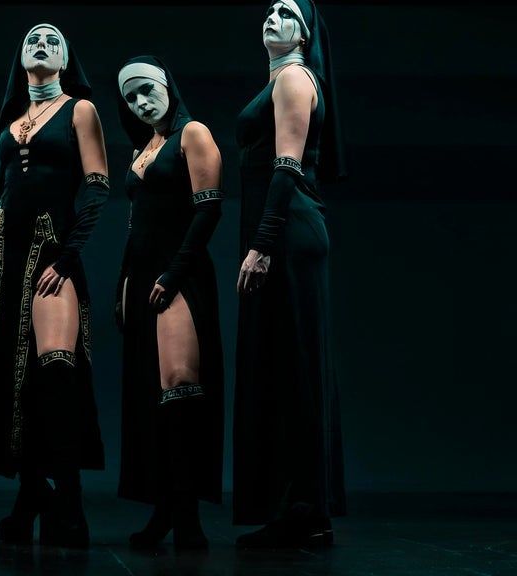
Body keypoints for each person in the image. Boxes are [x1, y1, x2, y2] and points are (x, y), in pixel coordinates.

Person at [0, 23, 108, 549]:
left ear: (66, 59)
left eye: (53, 39)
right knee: (14, 374)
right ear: (22, 57)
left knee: (56, 369)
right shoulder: (9, 123)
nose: (42, 43)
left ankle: (69, 500)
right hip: (2, 256)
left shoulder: (80, 110)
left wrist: (68, 256)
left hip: (52, 251)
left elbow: (96, 188)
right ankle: (30, 493)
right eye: (33, 39)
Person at [233, 0, 347, 548]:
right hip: (283, 230)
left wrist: (261, 245)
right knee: (283, 364)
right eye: (270, 10)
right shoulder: (279, 80)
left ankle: (305, 511)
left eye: (286, 13)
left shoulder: (294, 79)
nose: (272, 16)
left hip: (287, 233)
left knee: (295, 364)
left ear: (303, 35)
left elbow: (287, 167)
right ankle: (297, 509)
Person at [114, 56, 224, 550]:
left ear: (167, 85)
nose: (141, 101)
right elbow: (135, 224)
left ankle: (188, 518)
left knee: (180, 386)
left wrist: (174, 273)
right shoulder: (143, 149)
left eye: (147, 89)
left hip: (179, 274)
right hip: (140, 279)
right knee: (151, 395)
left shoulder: (192, 133)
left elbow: (208, 211)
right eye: (131, 97)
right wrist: (123, 285)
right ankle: (164, 510)